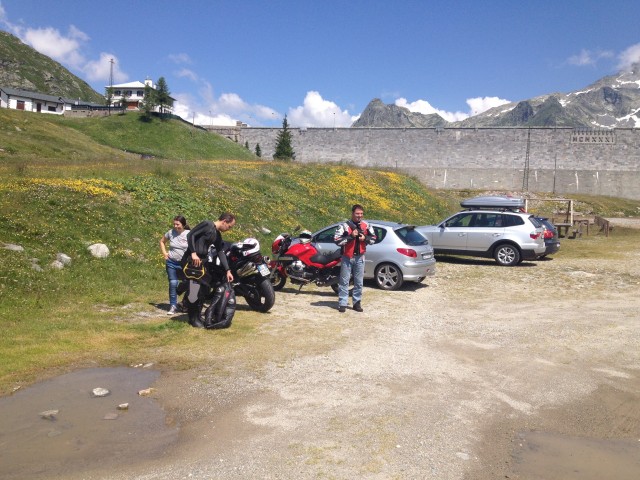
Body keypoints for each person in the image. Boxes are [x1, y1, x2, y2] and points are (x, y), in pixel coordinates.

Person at [181, 213, 236, 328]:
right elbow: (191, 235)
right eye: (229, 226)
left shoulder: (217, 234)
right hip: (192, 261)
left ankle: (197, 315)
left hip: (202, 262)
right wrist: (193, 253)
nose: (229, 229)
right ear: (224, 221)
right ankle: (193, 319)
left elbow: (220, 251)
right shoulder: (207, 224)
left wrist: (228, 270)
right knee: (194, 291)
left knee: (204, 289)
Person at [333, 204, 376, 313]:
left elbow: (374, 239)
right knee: (344, 281)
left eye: (361, 214)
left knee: (359, 282)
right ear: (352, 214)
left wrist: (365, 238)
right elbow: (337, 240)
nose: (359, 216)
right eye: (357, 214)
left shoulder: (366, 225)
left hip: (360, 258)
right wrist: (351, 236)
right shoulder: (344, 226)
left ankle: (357, 303)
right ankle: (342, 303)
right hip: (347, 257)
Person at [160, 215, 190, 315]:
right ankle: (173, 306)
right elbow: (162, 241)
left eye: (178, 224)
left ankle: (186, 304)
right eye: (174, 224)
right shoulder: (170, 232)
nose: (175, 226)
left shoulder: (189, 234)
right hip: (171, 262)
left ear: (183, 225)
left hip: (185, 264)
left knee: (189, 283)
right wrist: (164, 253)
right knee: (173, 283)